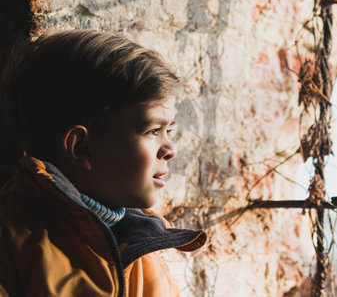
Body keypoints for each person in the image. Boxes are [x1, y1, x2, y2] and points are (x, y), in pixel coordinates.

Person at [0, 29, 207, 297]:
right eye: (153, 131)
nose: (170, 149)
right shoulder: (13, 241)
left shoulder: (144, 247)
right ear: (81, 148)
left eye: (170, 131)